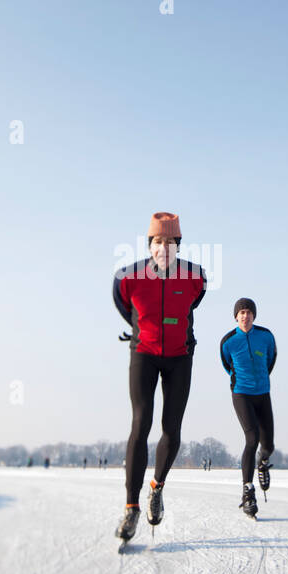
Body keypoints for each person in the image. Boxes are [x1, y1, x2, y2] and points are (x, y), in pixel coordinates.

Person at [111, 211, 208, 542]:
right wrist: (140, 328)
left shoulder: (195, 277)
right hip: (145, 355)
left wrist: (182, 334)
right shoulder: (128, 277)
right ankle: (131, 508)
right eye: (157, 241)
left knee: (172, 428)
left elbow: (191, 305)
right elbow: (125, 307)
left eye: (170, 241)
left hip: (180, 358)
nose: (163, 247)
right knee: (141, 424)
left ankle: (157, 487)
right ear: (149, 244)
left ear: (178, 245)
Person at [220, 297, 277, 518]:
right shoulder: (228, 341)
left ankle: (262, 464)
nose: (245, 316)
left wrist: (261, 378)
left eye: (249, 312)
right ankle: (247, 492)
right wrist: (240, 380)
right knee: (251, 439)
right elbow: (227, 364)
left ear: (254, 315)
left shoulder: (266, 336)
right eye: (241, 312)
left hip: (263, 393)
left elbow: (271, 359)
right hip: (241, 393)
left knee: (268, 444)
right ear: (236, 316)